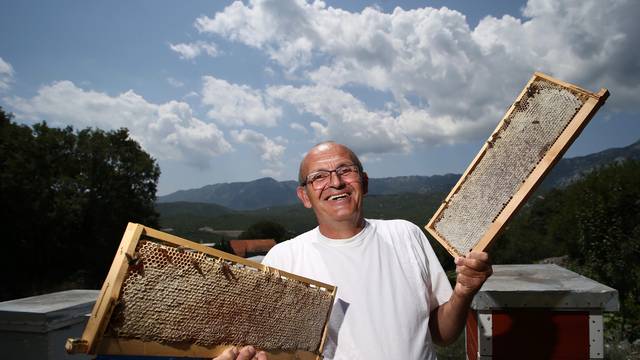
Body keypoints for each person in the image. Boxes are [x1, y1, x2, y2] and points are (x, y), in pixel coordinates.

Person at [215, 141, 492, 360]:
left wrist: (464, 292)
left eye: (345, 170)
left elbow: (442, 335)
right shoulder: (283, 259)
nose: (335, 182)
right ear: (304, 197)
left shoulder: (406, 234)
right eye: (319, 177)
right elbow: (270, 349)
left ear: (365, 182)